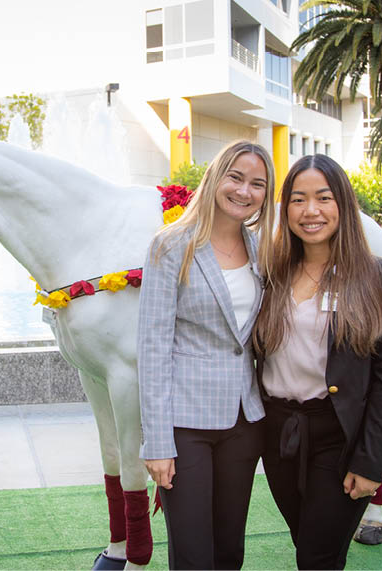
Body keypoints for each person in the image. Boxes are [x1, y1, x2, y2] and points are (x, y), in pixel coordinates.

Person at [252, 154, 382, 569]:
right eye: (298, 199)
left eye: (323, 198)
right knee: (304, 540)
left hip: (340, 437)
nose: (311, 211)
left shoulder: (378, 277)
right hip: (279, 433)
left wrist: (371, 461)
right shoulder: (270, 273)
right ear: (285, 209)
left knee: (318, 556)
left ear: (342, 204)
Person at [138, 140, 276, 569]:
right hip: (184, 426)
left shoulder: (263, 248)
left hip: (243, 422)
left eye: (257, 183)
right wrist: (157, 442)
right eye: (235, 177)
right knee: (194, 553)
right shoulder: (170, 245)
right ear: (216, 178)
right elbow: (153, 348)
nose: (244, 191)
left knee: (230, 548)